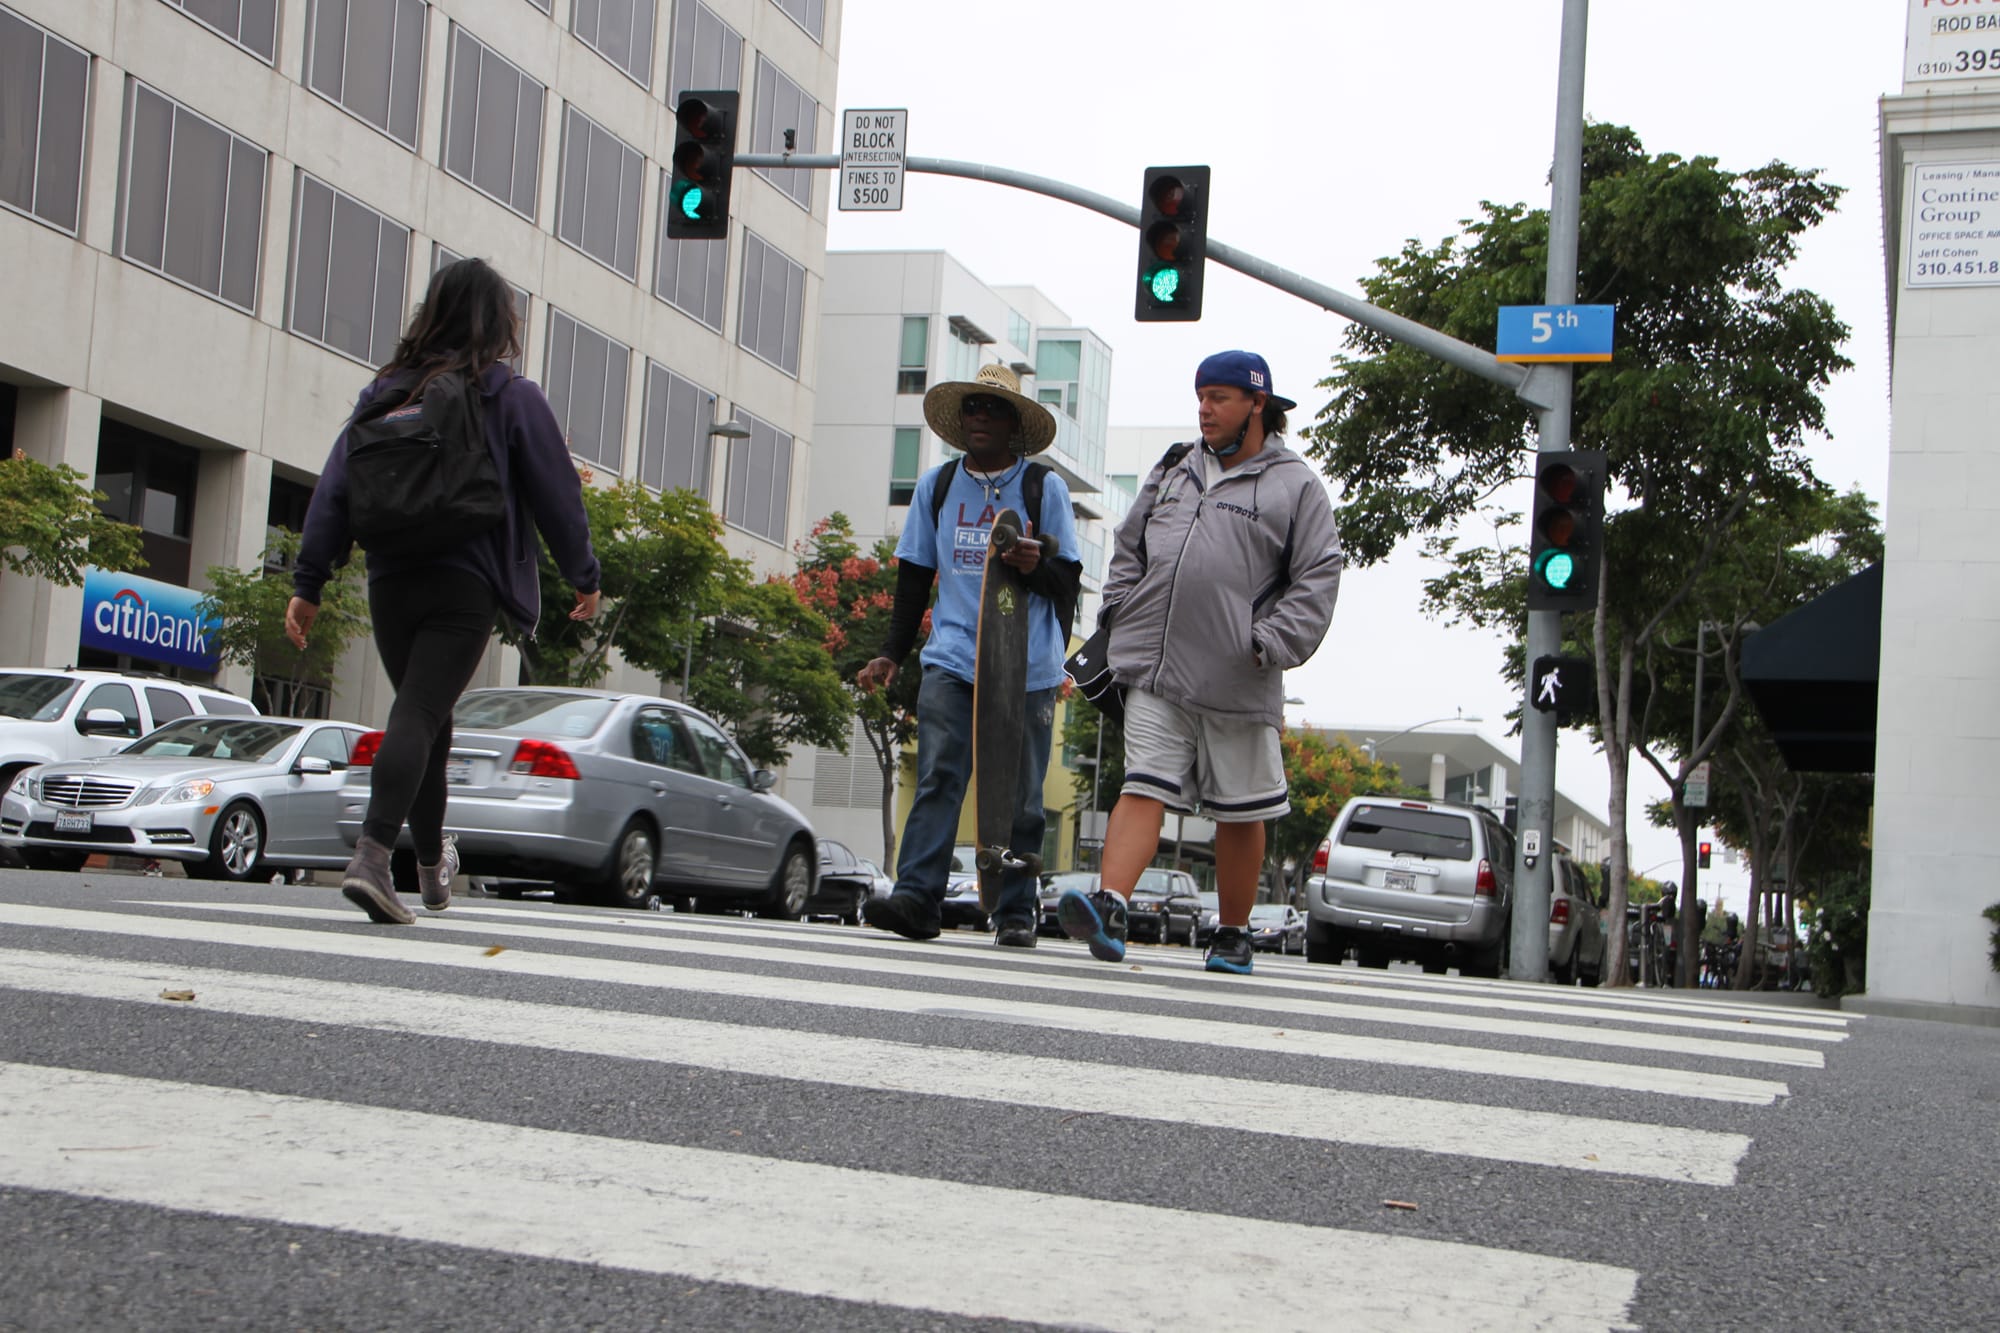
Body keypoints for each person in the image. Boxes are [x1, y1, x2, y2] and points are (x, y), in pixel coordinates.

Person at [289, 258, 602, 925]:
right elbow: (557, 489)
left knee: (426, 714)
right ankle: (373, 854)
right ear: (500, 321)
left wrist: (309, 582)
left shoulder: (387, 391)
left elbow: (336, 486)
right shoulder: (508, 394)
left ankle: (432, 870)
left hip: (390, 578)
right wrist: (584, 574)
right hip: (465, 580)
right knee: (420, 712)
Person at [1058, 351, 1342, 974]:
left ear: (1256, 404)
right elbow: (1130, 545)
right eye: (1201, 396)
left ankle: (1234, 934)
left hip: (1238, 676)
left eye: (1218, 397)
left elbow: (1318, 576)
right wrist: (1118, 606)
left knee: (1240, 809)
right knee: (1142, 784)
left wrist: (1268, 643)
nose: (1204, 409)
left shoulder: (1295, 485)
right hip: (1155, 669)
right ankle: (1110, 907)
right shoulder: (1175, 468)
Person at [856, 364, 1082, 948]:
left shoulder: (1042, 488)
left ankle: (1014, 909)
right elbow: (914, 578)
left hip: (1025, 664)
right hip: (953, 657)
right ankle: (917, 896)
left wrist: (1037, 567)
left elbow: (1068, 581)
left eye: (992, 408)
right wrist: (891, 653)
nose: (979, 416)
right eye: (972, 408)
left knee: (1019, 790)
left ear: (1014, 424)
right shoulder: (935, 487)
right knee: (938, 775)